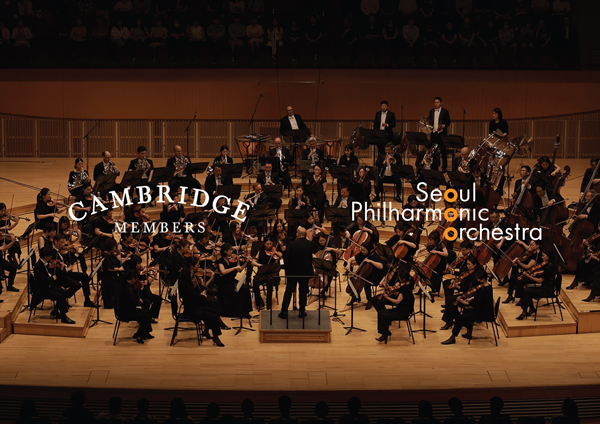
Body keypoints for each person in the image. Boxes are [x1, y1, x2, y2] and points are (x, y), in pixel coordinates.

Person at [279, 227, 315, 319]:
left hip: (293, 272)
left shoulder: (291, 244)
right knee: (303, 291)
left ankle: (284, 311)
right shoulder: (310, 244)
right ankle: (302, 311)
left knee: (289, 291)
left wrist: (287, 270)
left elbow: (286, 257)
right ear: (306, 235)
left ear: (297, 234)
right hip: (305, 272)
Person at [32, 248, 75, 324]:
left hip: (47, 287)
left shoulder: (44, 263)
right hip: (42, 290)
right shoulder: (38, 266)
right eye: (50, 256)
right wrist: (52, 278)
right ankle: (64, 317)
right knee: (60, 296)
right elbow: (41, 280)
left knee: (64, 292)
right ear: (46, 256)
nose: (51, 258)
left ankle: (56, 311)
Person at [516, 249, 557, 319]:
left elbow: (539, 280)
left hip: (546, 290)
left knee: (525, 290)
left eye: (544, 256)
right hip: (549, 288)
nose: (542, 257)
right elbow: (546, 273)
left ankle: (525, 311)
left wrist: (528, 276)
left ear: (548, 256)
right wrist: (537, 273)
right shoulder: (552, 265)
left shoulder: (548, 267)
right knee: (526, 290)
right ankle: (530, 309)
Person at [375, 271, 415, 343]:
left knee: (383, 315)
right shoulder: (406, 287)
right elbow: (397, 294)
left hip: (403, 313)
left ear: (403, 279)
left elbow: (397, 301)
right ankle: (385, 332)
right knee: (381, 312)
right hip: (400, 309)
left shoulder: (406, 289)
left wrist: (387, 297)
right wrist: (389, 288)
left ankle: (385, 333)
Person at [216, 242, 253, 318]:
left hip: (232, 281)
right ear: (225, 251)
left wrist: (246, 262)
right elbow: (223, 272)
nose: (231, 251)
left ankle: (246, 311)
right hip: (224, 284)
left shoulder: (231, 260)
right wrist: (234, 268)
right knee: (240, 290)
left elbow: (240, 269)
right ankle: (239, 313)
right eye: (230, 250)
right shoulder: (221, 261)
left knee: (246, 289)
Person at [428, 97, 451, 171]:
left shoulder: (445, 111)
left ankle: (444, 167)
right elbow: (430, 121)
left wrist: (444, 125)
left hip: (442, 134)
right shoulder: (431, 111)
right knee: (433, 150)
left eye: (437, 102)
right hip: (433, 133)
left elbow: (448, 122)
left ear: (441, 103)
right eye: (435, 102)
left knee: (443, 150)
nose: (436, 104)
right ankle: (434, 166)